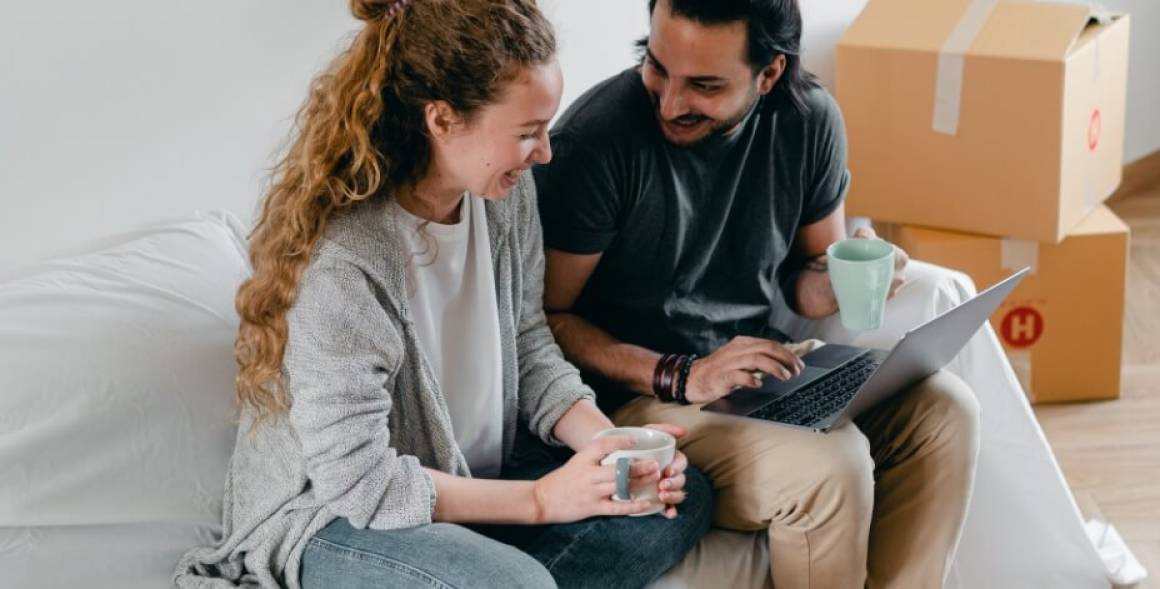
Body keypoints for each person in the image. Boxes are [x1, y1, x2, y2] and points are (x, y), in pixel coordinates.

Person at [173, 1, 713, 587]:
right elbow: (360, 483)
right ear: (443, 120)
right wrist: (541, 502)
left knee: (672, 499)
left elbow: (527, 344)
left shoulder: (505, 199)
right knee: (519, 583)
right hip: (339, 518)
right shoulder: (345, 264)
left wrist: (606, 444)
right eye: (528, 133)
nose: (545, 153)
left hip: (472, 482)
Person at [534, 0, 980, 587]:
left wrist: (851, 275)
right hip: (637, 400)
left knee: (947, 411)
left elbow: (805, 284)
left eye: (705, 85)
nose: (670, 102)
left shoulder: (809, 120)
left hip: (756, 379)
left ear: (769, 73)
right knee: (834, 465)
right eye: (656, 65)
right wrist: (685, 374)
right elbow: (546, 318)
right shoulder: (598, 141)